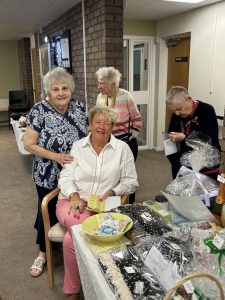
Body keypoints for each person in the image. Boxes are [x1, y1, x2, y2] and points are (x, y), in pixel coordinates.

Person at [56, 105, 138, 300]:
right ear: (90, 125)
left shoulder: (122, 149)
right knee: (80, 226)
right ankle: (99, 282)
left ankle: (73, 292)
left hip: (103, 205)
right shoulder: (78, 146)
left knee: (71, 239)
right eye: (98, 122)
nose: (102, 126)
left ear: (112, 127)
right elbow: (66, 176)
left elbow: (131, 181)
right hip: (72, 201)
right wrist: (74, 195)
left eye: (107, 123)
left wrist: (112, 191)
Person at [23, 67, 88, 278]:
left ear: (71, 90)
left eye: (65, 88)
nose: (61, 93)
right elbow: (28, 144)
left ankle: (69, 243)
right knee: (48, 210)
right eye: (56, 89)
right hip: (48, 172)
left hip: (75, 171)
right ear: (48, 92)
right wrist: (56, 156)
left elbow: (86, 136)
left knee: (73, 206)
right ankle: (43, 253)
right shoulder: (38, 111)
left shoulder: (79, 107)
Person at [95, 66, 142, 203]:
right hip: (108, 142)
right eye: (98, 83)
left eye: (101, 84)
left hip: (126, 142)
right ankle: (111, 204)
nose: (99, 87)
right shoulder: (100, 97)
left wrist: (132, 135)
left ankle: (129, 205)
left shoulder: (125, 96)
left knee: (127, 176)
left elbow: (136, 117)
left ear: (113, 84)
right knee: (111, 175)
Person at [166, 86, 221, 180]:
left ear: (189, 99)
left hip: (206, 166)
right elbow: (170, 142)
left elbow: (210, 139)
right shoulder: (176, 115)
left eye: (179, 108)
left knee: (204, 194)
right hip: (183, 167)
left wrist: (185, 138)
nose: (177, 113)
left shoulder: (207, 110)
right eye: (174, 110)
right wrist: (178, 167)